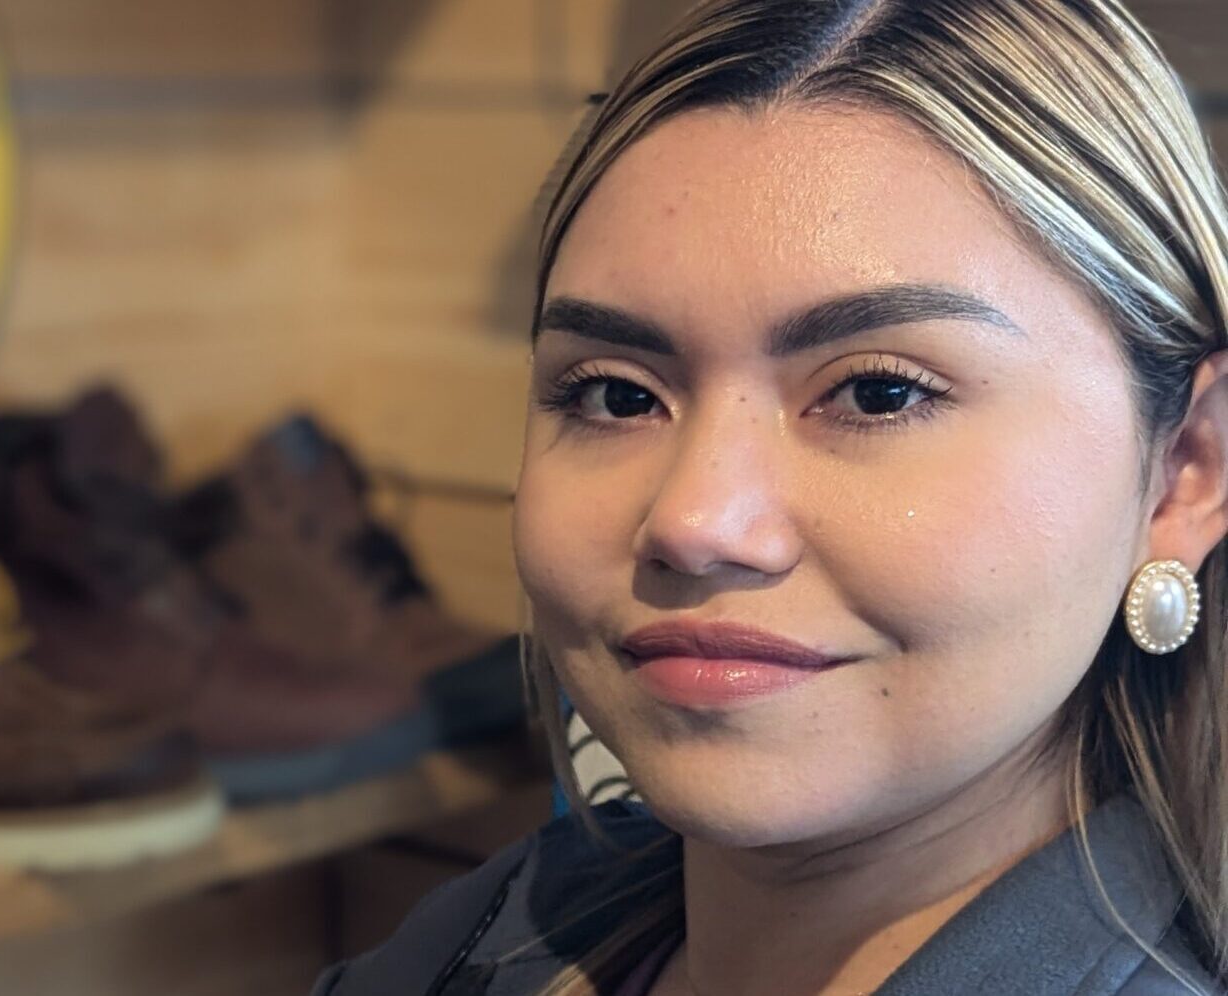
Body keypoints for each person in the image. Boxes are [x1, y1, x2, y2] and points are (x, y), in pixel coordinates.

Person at [311, 0, 1228, 993]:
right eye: (615, 395)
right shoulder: (486, 933)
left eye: (877, 393)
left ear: (1184, 468)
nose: (693, 521)